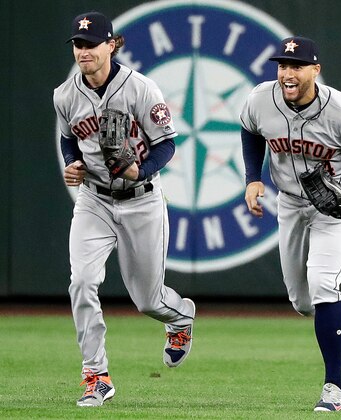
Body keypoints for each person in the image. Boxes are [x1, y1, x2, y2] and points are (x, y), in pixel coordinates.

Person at [240, 36, 341, 411]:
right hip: (291, 203)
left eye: (296, 66)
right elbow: (250, 129)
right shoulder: (261, 98)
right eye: (282, 66)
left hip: (338, 207)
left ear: (315, 70)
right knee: (303, 301)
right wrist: (252, 176)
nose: (287, 73)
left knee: (323, 284)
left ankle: (334, 389)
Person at [53, 12, 196, 407]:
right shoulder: (65, 95)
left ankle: (180, 317)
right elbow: (69, 140)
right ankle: (96, 375)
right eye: (78, 45)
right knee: (81, 282)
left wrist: (140, 170)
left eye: (91, 43)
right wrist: (73, 162)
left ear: (111, 45)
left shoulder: (140, 88)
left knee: (148, 300)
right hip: (94, 200)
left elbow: (166, 143)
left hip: (142, 200)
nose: (83, 51)